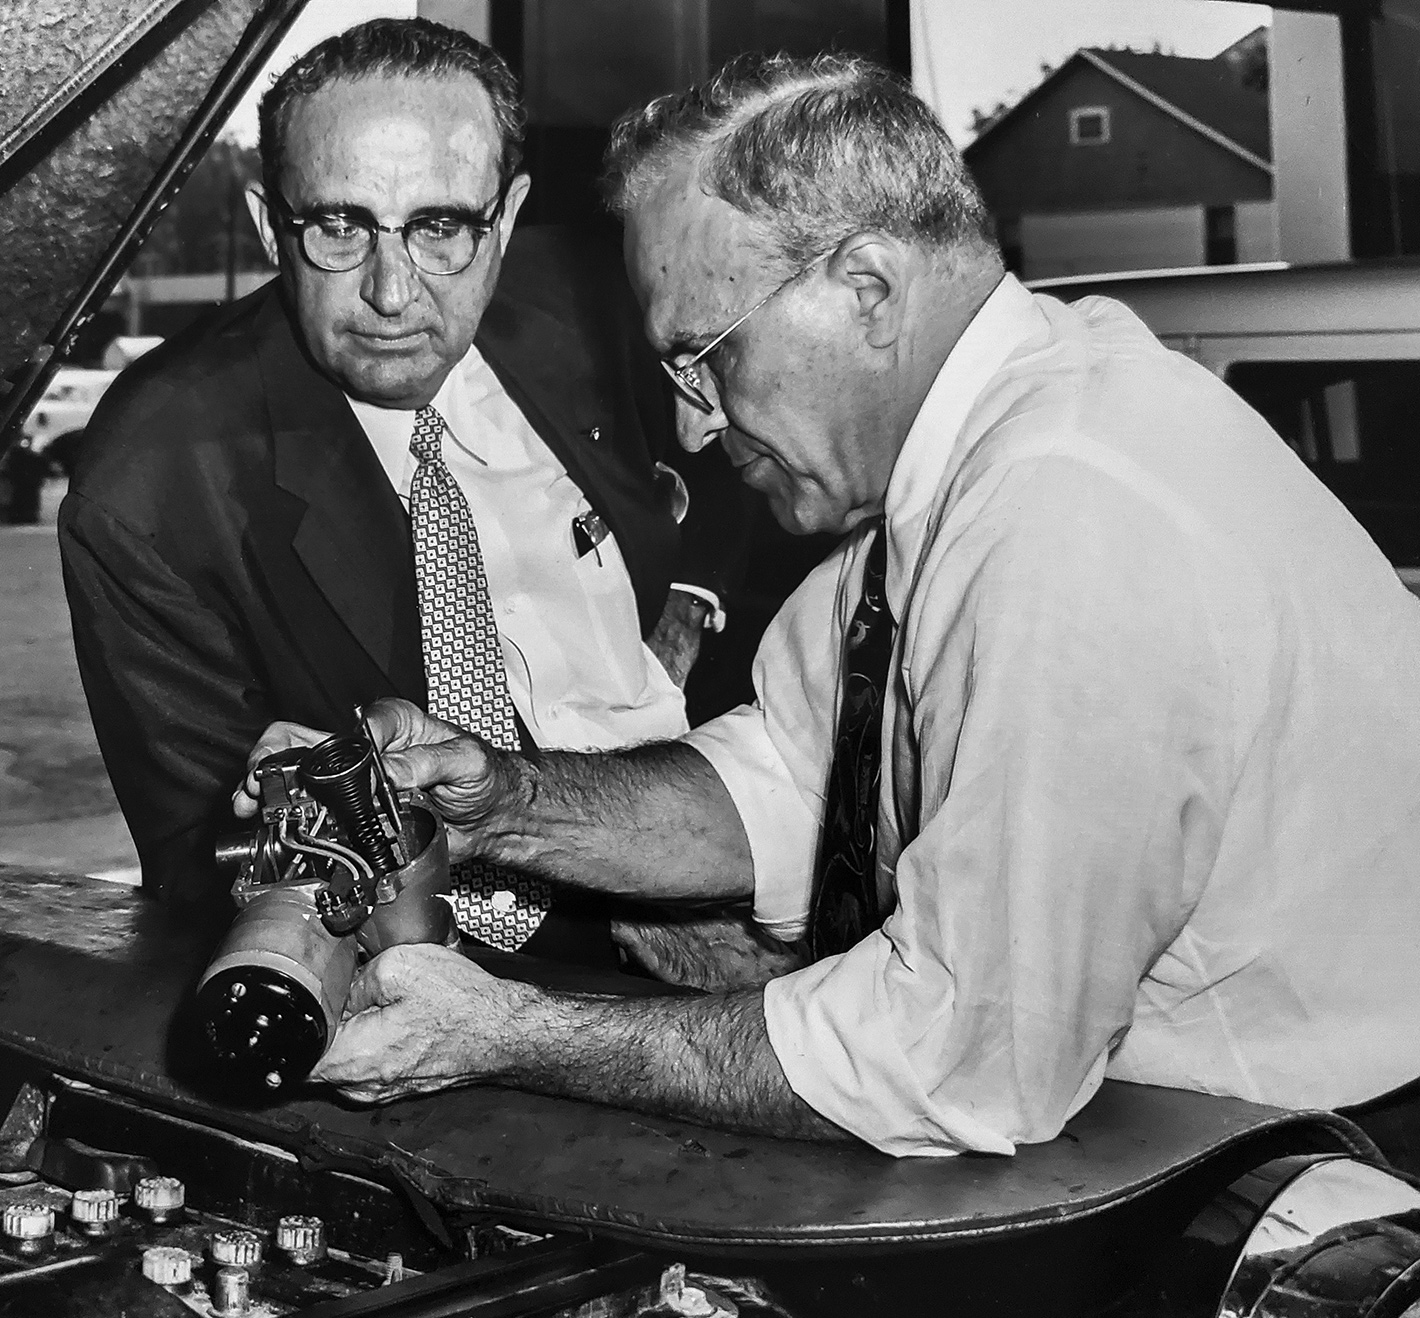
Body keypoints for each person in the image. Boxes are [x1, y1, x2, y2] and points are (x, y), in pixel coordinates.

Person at [237, 51, 1420, 1160]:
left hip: (1309, 1160)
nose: (695, 423)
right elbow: (794, 779)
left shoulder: (1068, 514)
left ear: (867, 288)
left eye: (705, 354)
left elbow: (952, 1055)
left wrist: (510, 1035)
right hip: (1156, 1131)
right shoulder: (999, 435)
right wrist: (492, 801)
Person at [59, 18, 743, 965]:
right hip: (455, 969)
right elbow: (204, 867)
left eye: (441, 227)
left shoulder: (597, 308)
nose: (391, 292)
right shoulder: (154, 481)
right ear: (270, 226)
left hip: (729, 848)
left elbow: (763, 467)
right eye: (339, 226)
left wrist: (689, 613)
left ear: (504, 220)